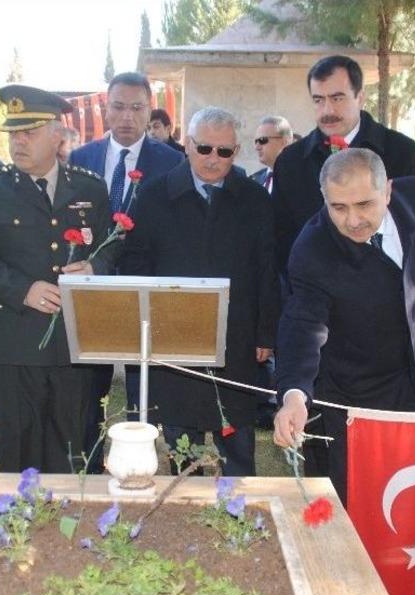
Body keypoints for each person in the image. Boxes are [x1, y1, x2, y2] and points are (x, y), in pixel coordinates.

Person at [272, 149, 415, 504]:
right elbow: (302, 328)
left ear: (388, 191)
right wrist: (293, 395)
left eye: (364, 204)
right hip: (357, 395)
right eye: (338, 207)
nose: (353, 220)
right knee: (360, 504)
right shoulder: (312, 249)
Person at [0, 85, 115, 473]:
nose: (18, 142)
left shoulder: (90, 187)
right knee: (19, 444)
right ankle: (20, 512)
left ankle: (71, 511)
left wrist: (95, 268)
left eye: (29, 132)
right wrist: (23, 290)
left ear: (57, 135)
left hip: (74, 344)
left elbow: (114, 246)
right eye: (13, 133)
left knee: (74, 443)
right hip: (15, 342)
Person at [123, 107, 279, 475]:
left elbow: (267, 270)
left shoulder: (255, 199)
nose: (213, 159)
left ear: (236, 151)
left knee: (238, 446)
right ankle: (187, 502)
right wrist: (145, 328)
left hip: (236, 339)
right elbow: (135, 264)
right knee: (183, 448)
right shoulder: (153, 195)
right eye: (205, 148)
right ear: (189, 145)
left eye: (224, 152)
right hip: (173, 339)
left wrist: (265, 333)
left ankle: (240, 506)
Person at [69, 71, 184, 469]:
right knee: (88, 390)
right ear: (106, 108)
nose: (127, 117)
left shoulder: (171, 162)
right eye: (118, 107)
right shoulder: (82, 159)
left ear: (150, 111)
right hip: (93, 290)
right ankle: (87, 470)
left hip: (145, 290)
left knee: (144, 390)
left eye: (137, 108)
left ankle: (141, 467)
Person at [272, 55, 415, 277]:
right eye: (318, 100)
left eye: (337, 98)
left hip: (388, 287)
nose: (327, 110)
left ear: (360, 97)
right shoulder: (290, 162)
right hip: (314, 289)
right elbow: (282, 238)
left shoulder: (401, 152)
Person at [249, 115, 294, 193]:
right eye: (256, 141)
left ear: (284, 141)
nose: (257, 147)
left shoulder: (302, 177)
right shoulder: (254, 180)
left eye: (262, 140)